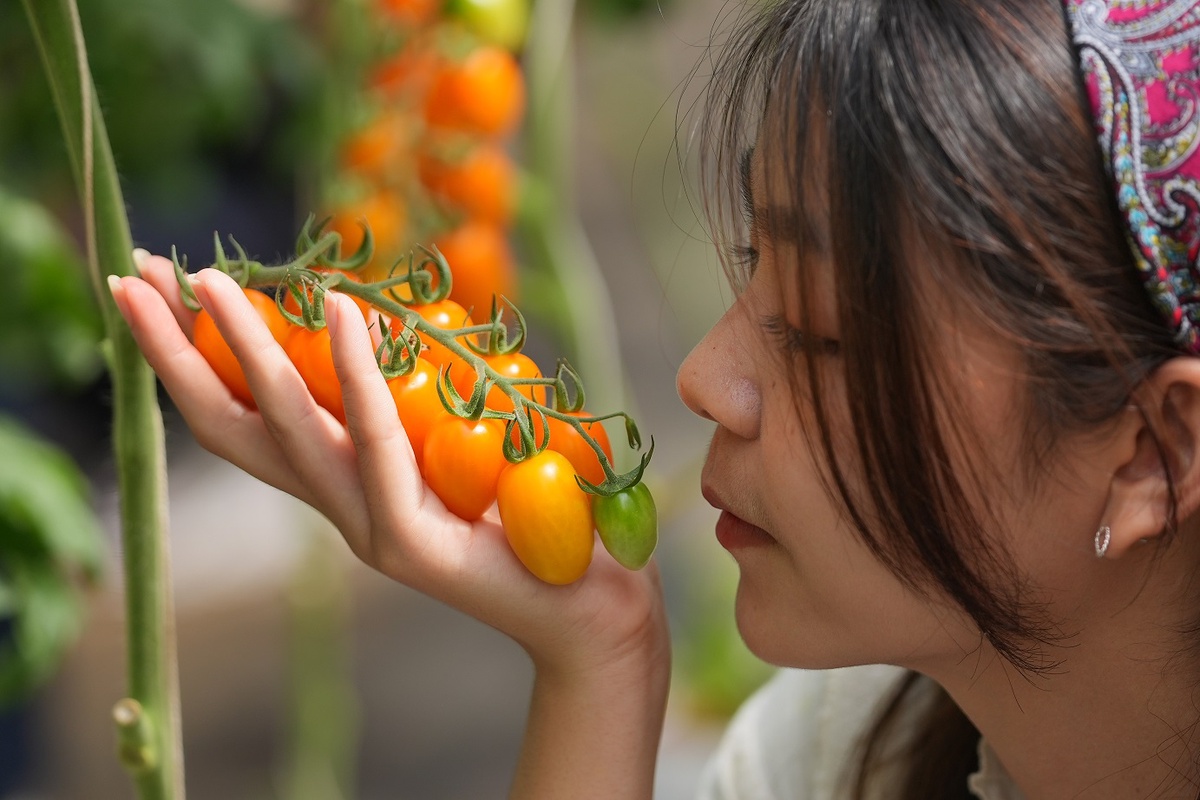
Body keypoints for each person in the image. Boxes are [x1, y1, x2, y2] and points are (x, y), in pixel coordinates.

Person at [106, 0, 1200, 796]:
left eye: (820, 329)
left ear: (1157, 450)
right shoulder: (824, 754)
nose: (705, 378)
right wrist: (599, 662)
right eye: (749, 264)